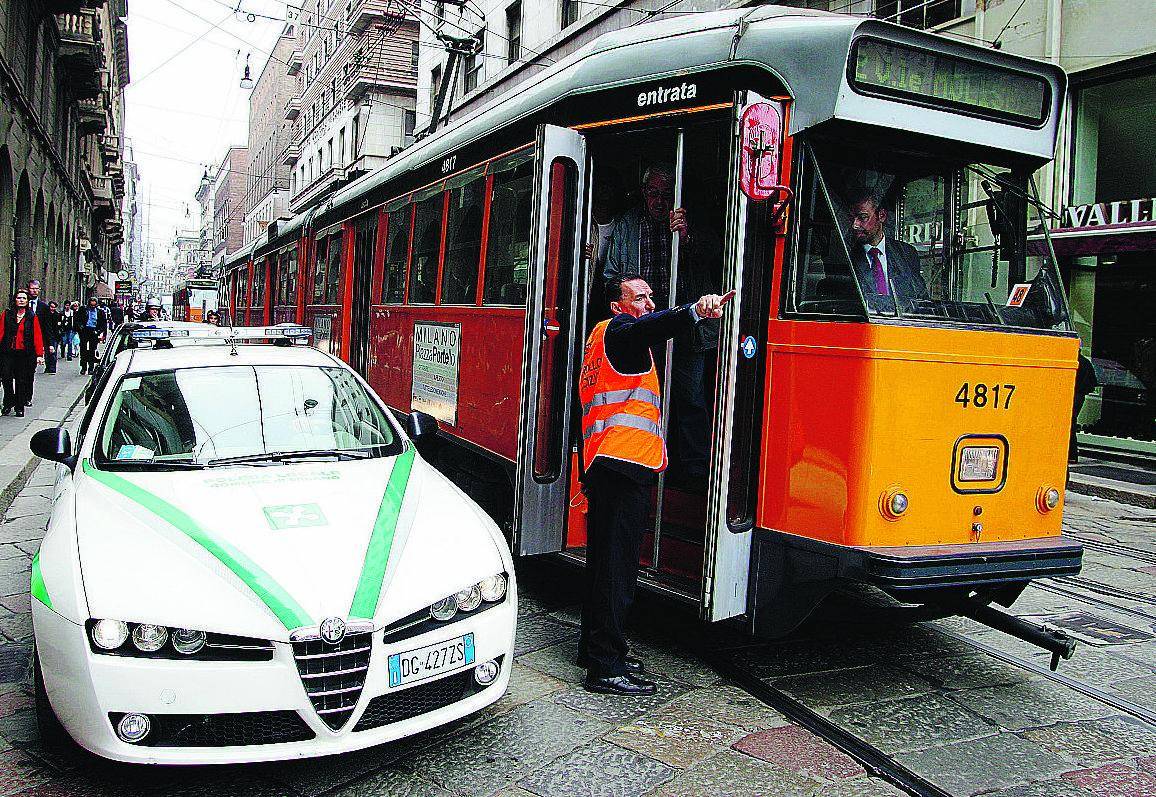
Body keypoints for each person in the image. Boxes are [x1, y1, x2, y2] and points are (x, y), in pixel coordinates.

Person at [577, 274, 733, 696]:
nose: (648, 303)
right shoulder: (622, 332)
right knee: (617, 570)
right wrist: (695, 312)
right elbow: (652, 327)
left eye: (650, 296)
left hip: (606, 463)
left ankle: (595, 649)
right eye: (639, 297)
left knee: (603, 565)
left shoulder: (598, 340)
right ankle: (605, 666)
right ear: (617, 306)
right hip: (623, 466)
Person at [846, 188, 928, 310]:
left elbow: (921, 300)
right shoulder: (846, 253)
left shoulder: (906, 253)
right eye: (852, 218)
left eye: (862, 217)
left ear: (882, 215)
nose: (855, 225)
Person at [0, 289, 45, 417]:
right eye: (19, 298)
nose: (21, 300)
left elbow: (37, 335)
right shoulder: (7, 314)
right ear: (15, 300)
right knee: (6, 378)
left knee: (21, 380)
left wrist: (39, 355)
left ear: (27, 301)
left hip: (25, 353)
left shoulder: (31, 316)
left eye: (24, 298)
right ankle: (8, 401)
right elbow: (1, 332)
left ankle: (19, 406)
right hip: (7, 352)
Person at [75, 297, 107, 375]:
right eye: (91, 305)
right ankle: (83, 367)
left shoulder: (100, 312)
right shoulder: (83, 309)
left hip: (94, 331)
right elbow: (77, 320)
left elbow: (103, 323)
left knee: (92, 350)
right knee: (83, 350)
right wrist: (81, 328)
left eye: (94, 306)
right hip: (85, 331)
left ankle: (91, 368)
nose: (92, 307)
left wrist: (100, 332)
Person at [42, 301, 61, 375]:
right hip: (46, 336)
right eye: (51, 307)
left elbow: (58, 326)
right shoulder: (46, 315)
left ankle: (52, 368)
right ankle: (47, 367)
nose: (52, 309)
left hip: (54, 336)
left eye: (54, 307)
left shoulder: (57, 315)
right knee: (47, 353)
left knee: (53, 352)